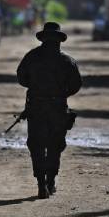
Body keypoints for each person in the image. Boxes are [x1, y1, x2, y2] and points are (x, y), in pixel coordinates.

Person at [17, 22, 82, 199]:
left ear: (43, 39)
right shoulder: (67, 61)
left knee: (37, 144)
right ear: (59, 41)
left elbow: (22, 79)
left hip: (36, 107)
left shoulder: (31, 57)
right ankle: (50, 182)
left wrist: (37, 88)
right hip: (58, 108)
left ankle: (41, 184)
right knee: (55, 145)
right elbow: (76, 85)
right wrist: (61, 94)